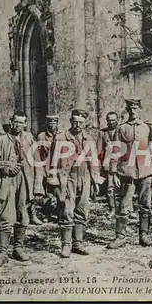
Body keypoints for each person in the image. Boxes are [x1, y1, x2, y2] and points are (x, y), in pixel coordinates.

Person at [107, 98, 152, 249]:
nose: (133, 111)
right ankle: (120, 237)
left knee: (145, 204)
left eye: (136, 108)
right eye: (130, 108)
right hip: (127, 172)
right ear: (127, 110)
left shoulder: (148, 128)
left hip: (146, 171)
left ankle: (143, 235)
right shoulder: (121, 129)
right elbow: (115, 151)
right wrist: (113, 173)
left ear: (140, 110)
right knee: (124, 205)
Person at [48, 109, 101, 258]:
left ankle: (78, 243)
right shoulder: (60, 138)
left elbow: (94, 161)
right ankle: (66, 244)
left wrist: (95, 180)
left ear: (85, 123)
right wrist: (53, 181)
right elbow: (53, 161)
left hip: (84, 177)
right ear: (70, 121)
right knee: (66, 210)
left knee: (82, 210)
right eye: (75, 121)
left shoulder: (89, 139)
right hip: (67, 178)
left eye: (81, 122)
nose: (77, 125)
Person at [0, 112, 37, 267]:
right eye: (16, 122)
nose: (18, 125)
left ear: (25, 124)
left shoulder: (29, 138)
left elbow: (36, 160)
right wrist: (6, 166)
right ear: (11, 122)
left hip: (24, 180)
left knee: (23, 215)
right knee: (6, 216)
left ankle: (18, 248)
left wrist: (37, 184)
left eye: (22, 123)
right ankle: (2, 253)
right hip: (7, 180)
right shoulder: (0, 139)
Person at [34, 115, 61, 223]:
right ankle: (47, 213)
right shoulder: (41, 136)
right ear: (47, 124)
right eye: (50, 123)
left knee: (59, 191)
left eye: (54, 123)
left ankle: (59, 213)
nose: (52, 125)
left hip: (58, 167)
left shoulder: (61, 136)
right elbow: (38, 153)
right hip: (45, 165)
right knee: (46, 191)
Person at [98, 112, 119, 218]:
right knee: (110, 188)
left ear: (117, 120)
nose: (111, 122)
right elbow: (99, 150)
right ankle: (112, 209)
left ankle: (127, 209)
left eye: (113, 119)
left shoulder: (122, 130)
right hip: (109, 163)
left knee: (125, 186)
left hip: (122, 163)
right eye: (109, 120)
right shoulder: (103, 133)